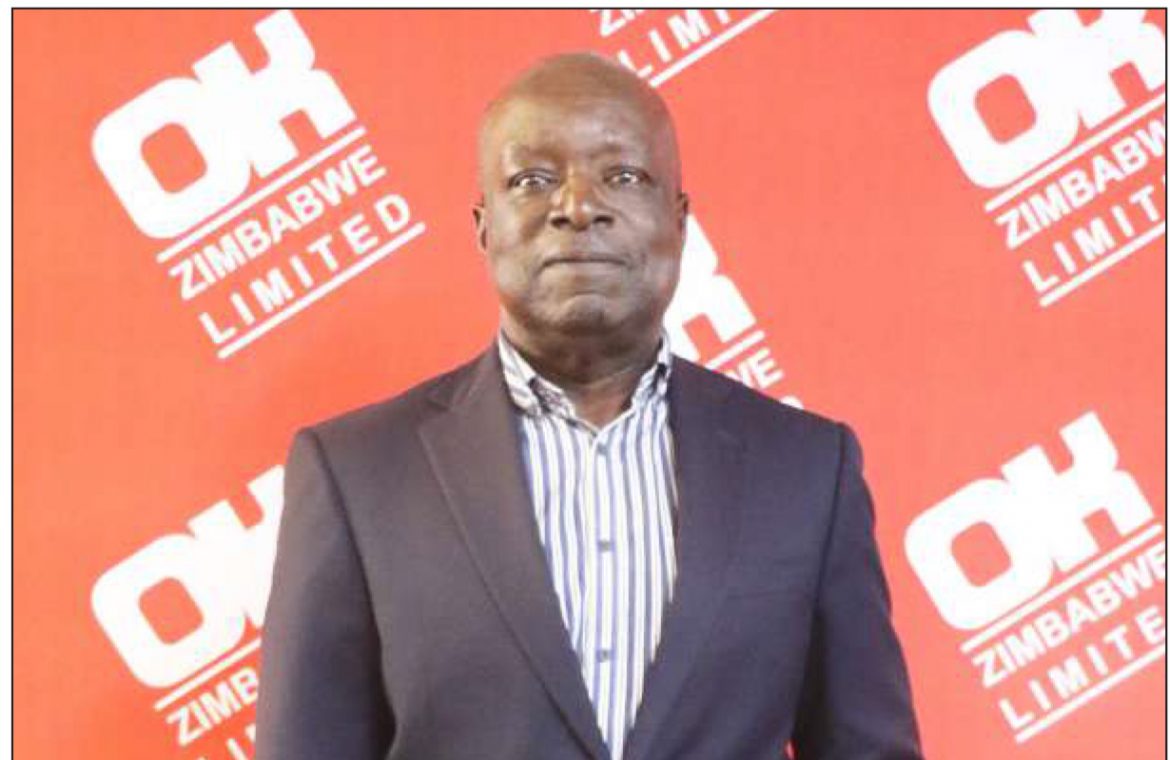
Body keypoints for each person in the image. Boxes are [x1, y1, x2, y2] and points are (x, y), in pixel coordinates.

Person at [255, 52, 923, 760]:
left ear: (679, 220)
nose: (577, 206)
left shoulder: (807, 469)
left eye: (623, 176)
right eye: (532, 180)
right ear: (483, 227)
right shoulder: (358, 474)